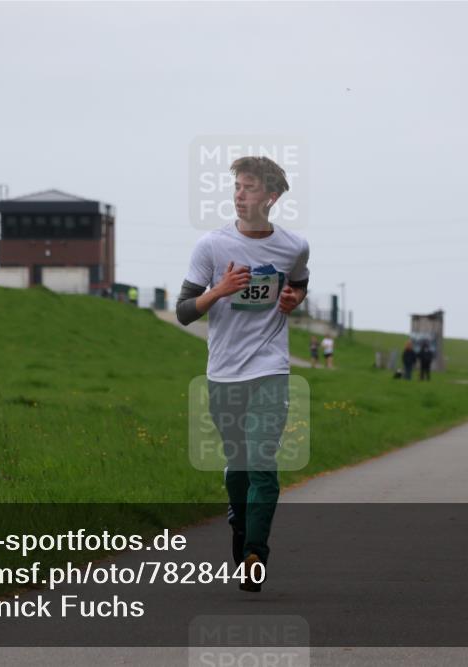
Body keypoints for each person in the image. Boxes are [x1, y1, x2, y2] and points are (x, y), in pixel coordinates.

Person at [176, 155, 309, 593]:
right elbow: (182, 313)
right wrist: (220, 290)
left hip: (271, 368)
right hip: (223, 374)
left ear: (270, 196)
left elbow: (299, 281)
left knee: (262, 464)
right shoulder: (211, 247)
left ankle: (255, 553)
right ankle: (239, 522)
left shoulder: (293, 246)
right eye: (236, 187)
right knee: (238, 467)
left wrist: (291, 299)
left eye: (249, 188)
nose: (239, 195)